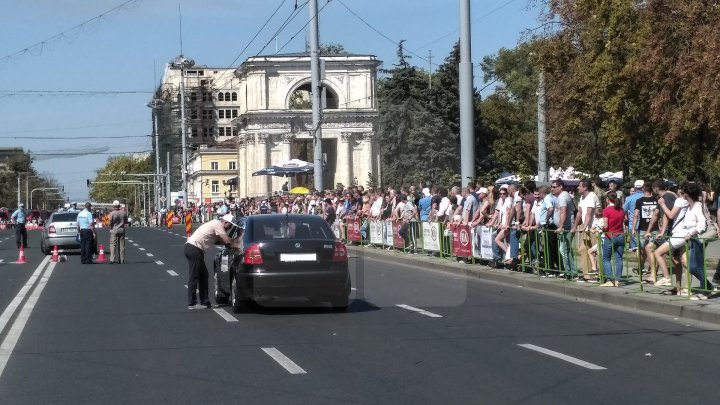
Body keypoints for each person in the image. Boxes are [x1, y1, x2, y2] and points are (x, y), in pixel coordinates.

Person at [185, 213, 240, 309]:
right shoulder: (218, 224)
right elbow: (226, 241)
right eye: (230, 226)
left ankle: (205, 302)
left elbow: (222, 242)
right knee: (194, 276)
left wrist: (233, 243)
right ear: (226, 222)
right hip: (194, 248)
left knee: (204, 275)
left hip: (194, 249)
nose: (229, 228)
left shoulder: (216, 225)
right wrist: (239, 244)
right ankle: (192, 303)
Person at [601, 192, 626, 287]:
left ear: (607, 199)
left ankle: (610, 280)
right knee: (619, 259)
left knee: (606, 259)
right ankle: (617, 280)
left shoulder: (606, 210)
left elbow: (606, 226)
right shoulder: (621, 210)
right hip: (620, 235)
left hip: (610, 235)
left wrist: (602, 228)